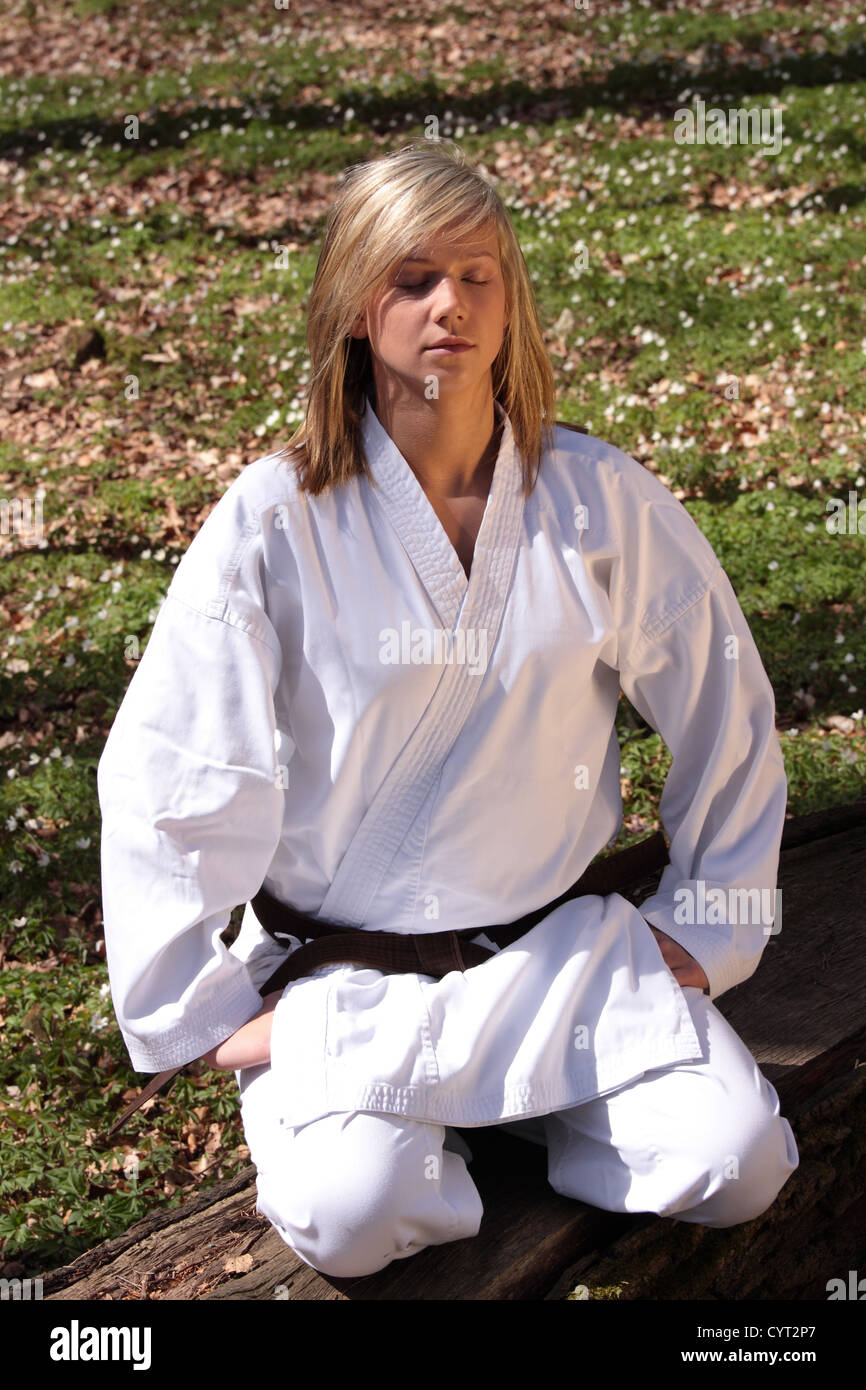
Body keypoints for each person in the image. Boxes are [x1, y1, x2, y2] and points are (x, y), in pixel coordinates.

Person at [97, 140, 799, 1282]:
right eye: (412, 277)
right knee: (351, 1214)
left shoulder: (594, 500)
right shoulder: (277, 520)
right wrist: (197, 1004)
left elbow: (729, 708)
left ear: (511, 302)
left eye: (478, 277)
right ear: (353, 306)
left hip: (555, 958)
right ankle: (465, 1129)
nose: (448, 306)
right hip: (348, 982)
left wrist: (705, 923)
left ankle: (513, 1114)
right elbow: (175, 766)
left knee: (734, 1162)